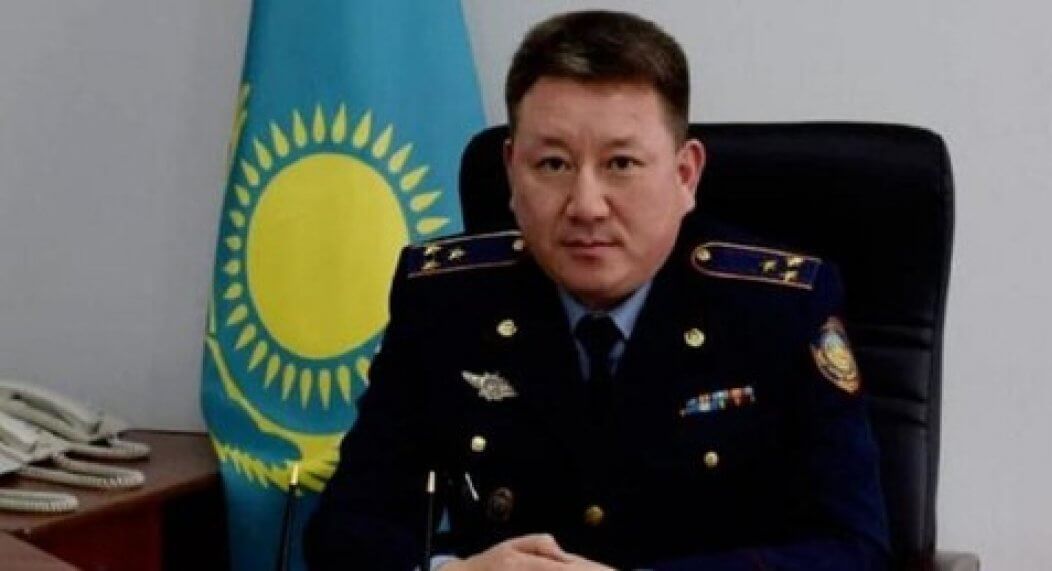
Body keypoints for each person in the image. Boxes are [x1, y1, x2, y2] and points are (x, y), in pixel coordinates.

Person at [305, 10, 888, 570]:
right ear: (511, 172)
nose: (586, 206)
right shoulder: (445, 302)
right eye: (553, 165)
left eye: (621, 164)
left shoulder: (779, 309)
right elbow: (346, 528)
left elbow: (853, 548)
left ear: (685, 175)